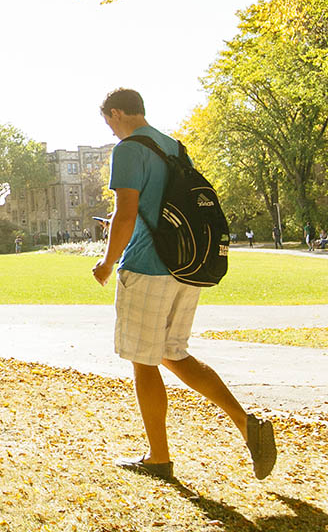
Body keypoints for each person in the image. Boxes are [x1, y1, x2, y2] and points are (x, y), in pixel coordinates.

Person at [92, 87, 275, 481]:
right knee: (174, 353)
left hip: (146, 266)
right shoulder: (174, 146)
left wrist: (107, 262)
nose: (109, 129)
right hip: (185, 266)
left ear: (117, 112)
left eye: (107, 120)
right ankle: (246, 424)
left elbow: (125, 216)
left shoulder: (127, 150)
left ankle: (159, 458)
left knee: (144, 361)